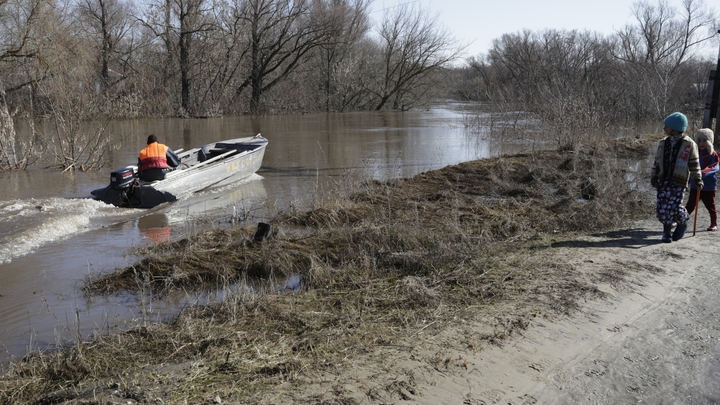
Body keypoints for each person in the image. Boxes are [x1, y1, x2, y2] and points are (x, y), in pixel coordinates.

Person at [650, 112, 703, 243]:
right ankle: (667, 231)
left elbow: (694, 163)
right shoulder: (663, 143)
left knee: (674, 206)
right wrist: (654, 176)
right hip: (663, 180)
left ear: (674, 128)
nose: (664, 128)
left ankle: (682, 222)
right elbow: (657, 162)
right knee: (662, 207)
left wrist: (697, 178)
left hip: (679, 180)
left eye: (666, 126)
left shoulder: (689, 144)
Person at [685, 128, 719, 232]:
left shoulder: (713, 154)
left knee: (710, 205)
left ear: (709, 141)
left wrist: (702, 173)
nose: (701, 143)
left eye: (704, 140)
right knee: (690, 204)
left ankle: (714, 224)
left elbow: (715, 167)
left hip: (708, 185)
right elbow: (689, 164)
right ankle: (681, 220)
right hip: (695, 184)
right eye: (699, 140)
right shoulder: (694, 152)